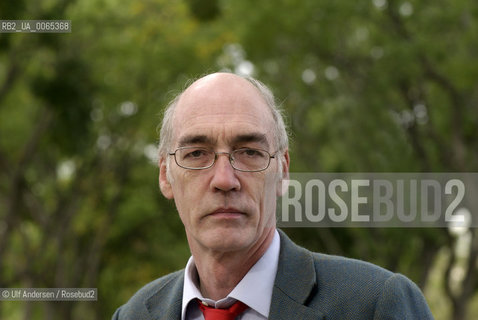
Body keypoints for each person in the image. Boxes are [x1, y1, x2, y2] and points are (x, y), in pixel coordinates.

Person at [112, 72, 434, 319]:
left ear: (283, 170)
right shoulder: (133, 315)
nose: (225, 180)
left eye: (250, 152)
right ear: (165, 175)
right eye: (196, 153)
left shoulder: (375, 305)